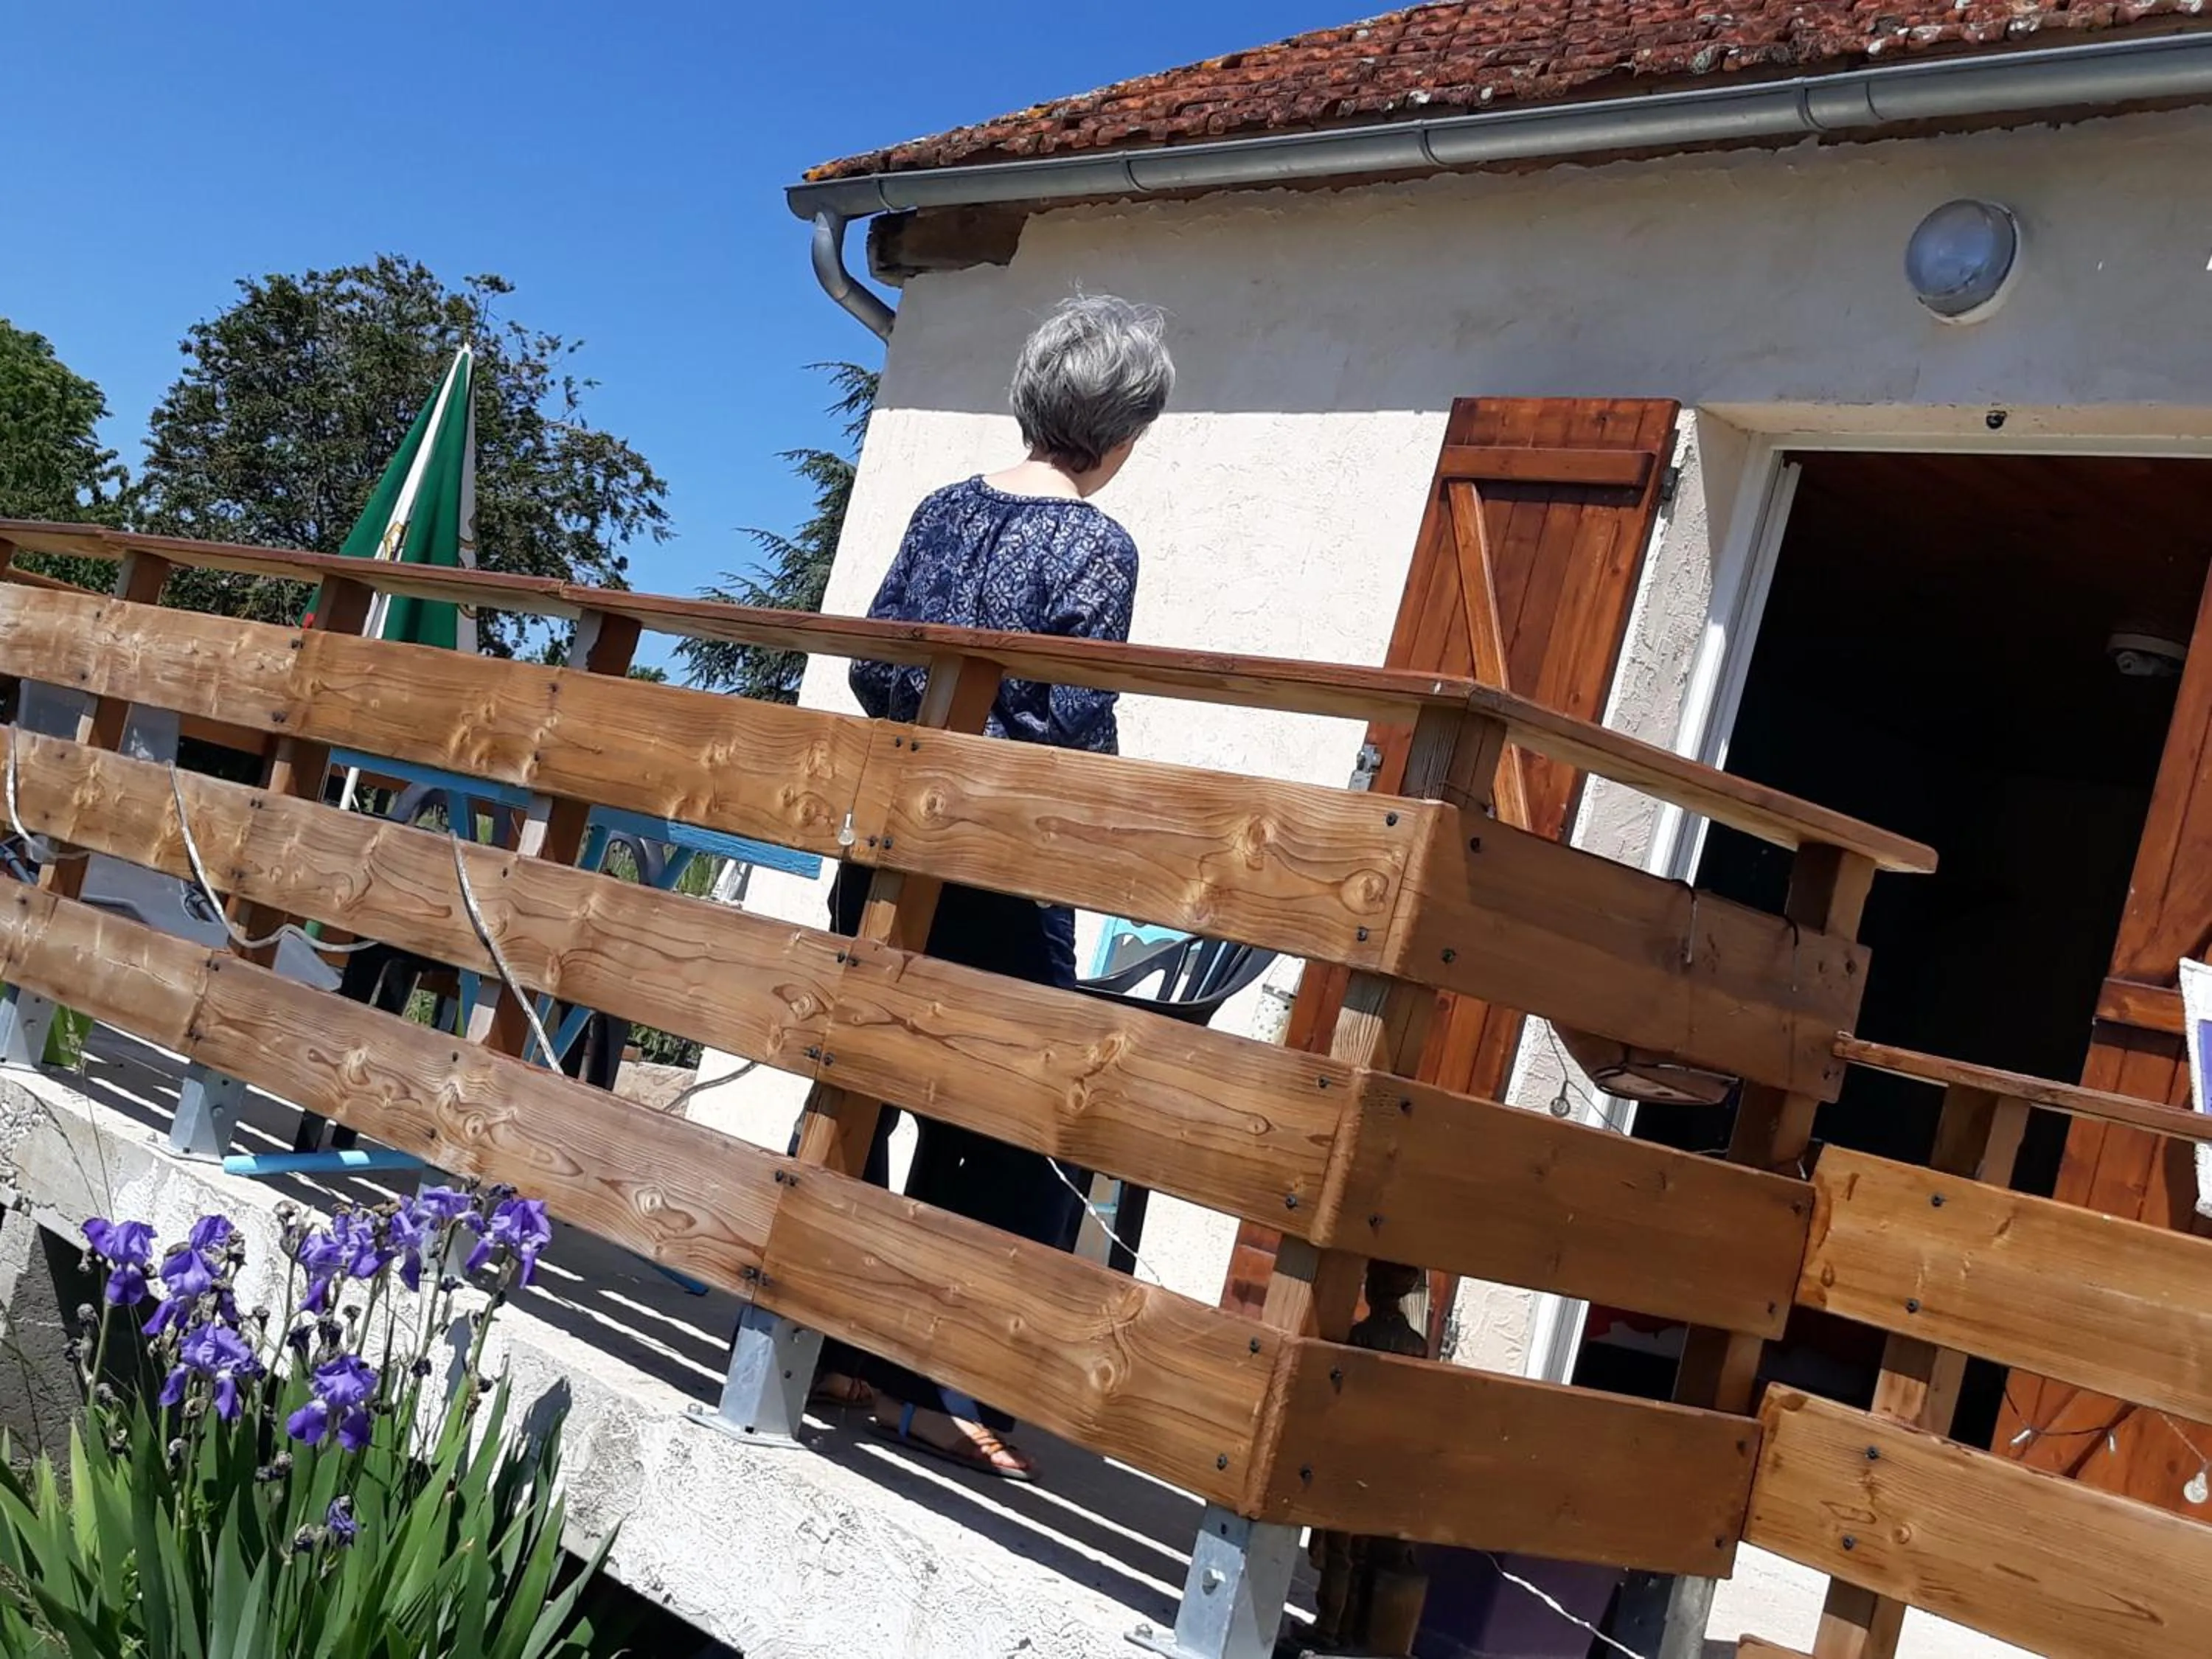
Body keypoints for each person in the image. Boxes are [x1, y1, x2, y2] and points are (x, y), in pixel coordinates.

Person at [808, 293, 1174, 1481]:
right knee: (1014, 1129)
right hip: (1006, 874)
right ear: (1121, 432)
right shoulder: (1096, 547)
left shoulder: (941, 509)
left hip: (890, 847)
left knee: (867, 1086)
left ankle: (842, 1348)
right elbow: (1071, 719)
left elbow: (872, 662)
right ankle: (944, 1389)